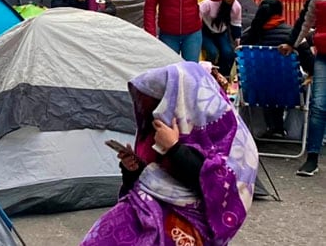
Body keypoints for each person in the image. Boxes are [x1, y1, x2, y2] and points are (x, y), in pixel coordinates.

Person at [81, 62, 258, 246]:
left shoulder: (229, 134)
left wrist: (174, 148)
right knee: (102, 236)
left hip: (193, 216)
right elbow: (151, 173)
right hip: (148, 202)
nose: (158, 109)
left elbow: (219, 186)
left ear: (183, 97)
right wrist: (132, 169)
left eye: (163, 101)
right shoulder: (159, 123)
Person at [242, 0, 313, 139]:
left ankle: (264, 128)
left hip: (256, 91)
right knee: (305, 83)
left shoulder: (248, 36)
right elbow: (310, 64)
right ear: (280, 13)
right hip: (289, 90)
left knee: (264, 81)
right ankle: (294, 131)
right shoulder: (293, 34)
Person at [282, 0, 326, 176]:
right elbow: (305, 20)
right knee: (318, 106)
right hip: (323, 57)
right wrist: (292, 43)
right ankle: (312, 158)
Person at [199, 0, 242, 77]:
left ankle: (224, 75)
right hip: (205, 31)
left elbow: (236, 22)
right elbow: (198, 13)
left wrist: (237, 38)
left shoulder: (236, 7)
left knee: (228, 52)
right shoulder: (209, 2)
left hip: (221, 32)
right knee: (212, 52)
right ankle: (209, 74)